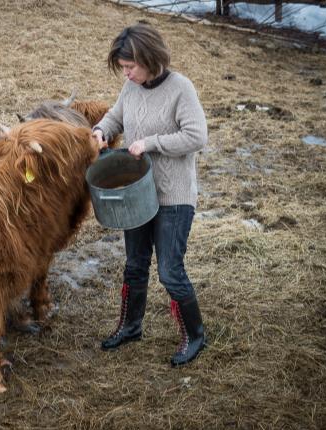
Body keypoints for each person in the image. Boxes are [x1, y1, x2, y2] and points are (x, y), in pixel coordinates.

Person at [91, 23, 208, 366]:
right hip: (136, 194)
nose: (126, 74)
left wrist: (151, 143)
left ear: (150, 58)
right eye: (123, 68)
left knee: (170, 270)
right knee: (135, 264)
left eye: (130, 67)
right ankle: (130, 327)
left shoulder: (180, 89)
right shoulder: (131, 88)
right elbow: (116, 116)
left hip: (173, 196)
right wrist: (101, 130)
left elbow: (197, 136)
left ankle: (195, 335)